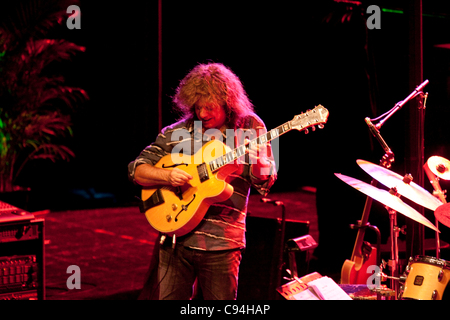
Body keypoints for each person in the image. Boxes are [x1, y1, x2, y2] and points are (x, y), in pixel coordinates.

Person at [128, 62, 277, 300]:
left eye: (210, 107)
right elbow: (136, 170)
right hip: (175, 240)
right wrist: (167, 175)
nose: (203, 114)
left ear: (228, 104)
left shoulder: (250, 127)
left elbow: (265, 184)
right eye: (198, 107)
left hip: (222, 246)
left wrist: (260, 160)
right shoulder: (178, 131)